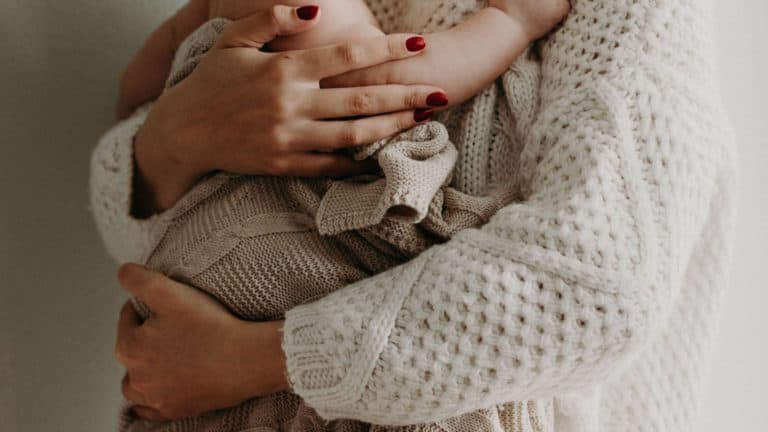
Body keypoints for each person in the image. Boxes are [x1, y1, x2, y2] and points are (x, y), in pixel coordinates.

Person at [91, 0, 738, 431]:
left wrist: (252, 359)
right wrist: (174, 137)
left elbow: (600, 287)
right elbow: (147, 235)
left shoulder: (630, 16)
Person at [114, 0, 563, 430]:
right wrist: (511, 22)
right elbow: (384, 84)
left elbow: (133, 92)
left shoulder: (193, 15)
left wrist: (170, 121)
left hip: (213, 283)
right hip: (287, 246)